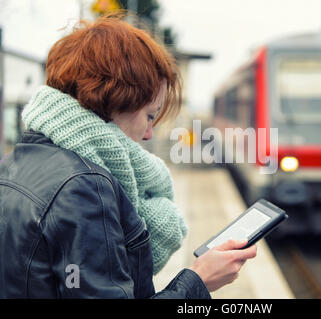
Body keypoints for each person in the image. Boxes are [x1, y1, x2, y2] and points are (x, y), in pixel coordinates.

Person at [0, 14, 257, 298]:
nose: (149, 134)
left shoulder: (15, 162)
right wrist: (198, 281)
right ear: (116, 99)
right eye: (149, 116)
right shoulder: (85, 187)